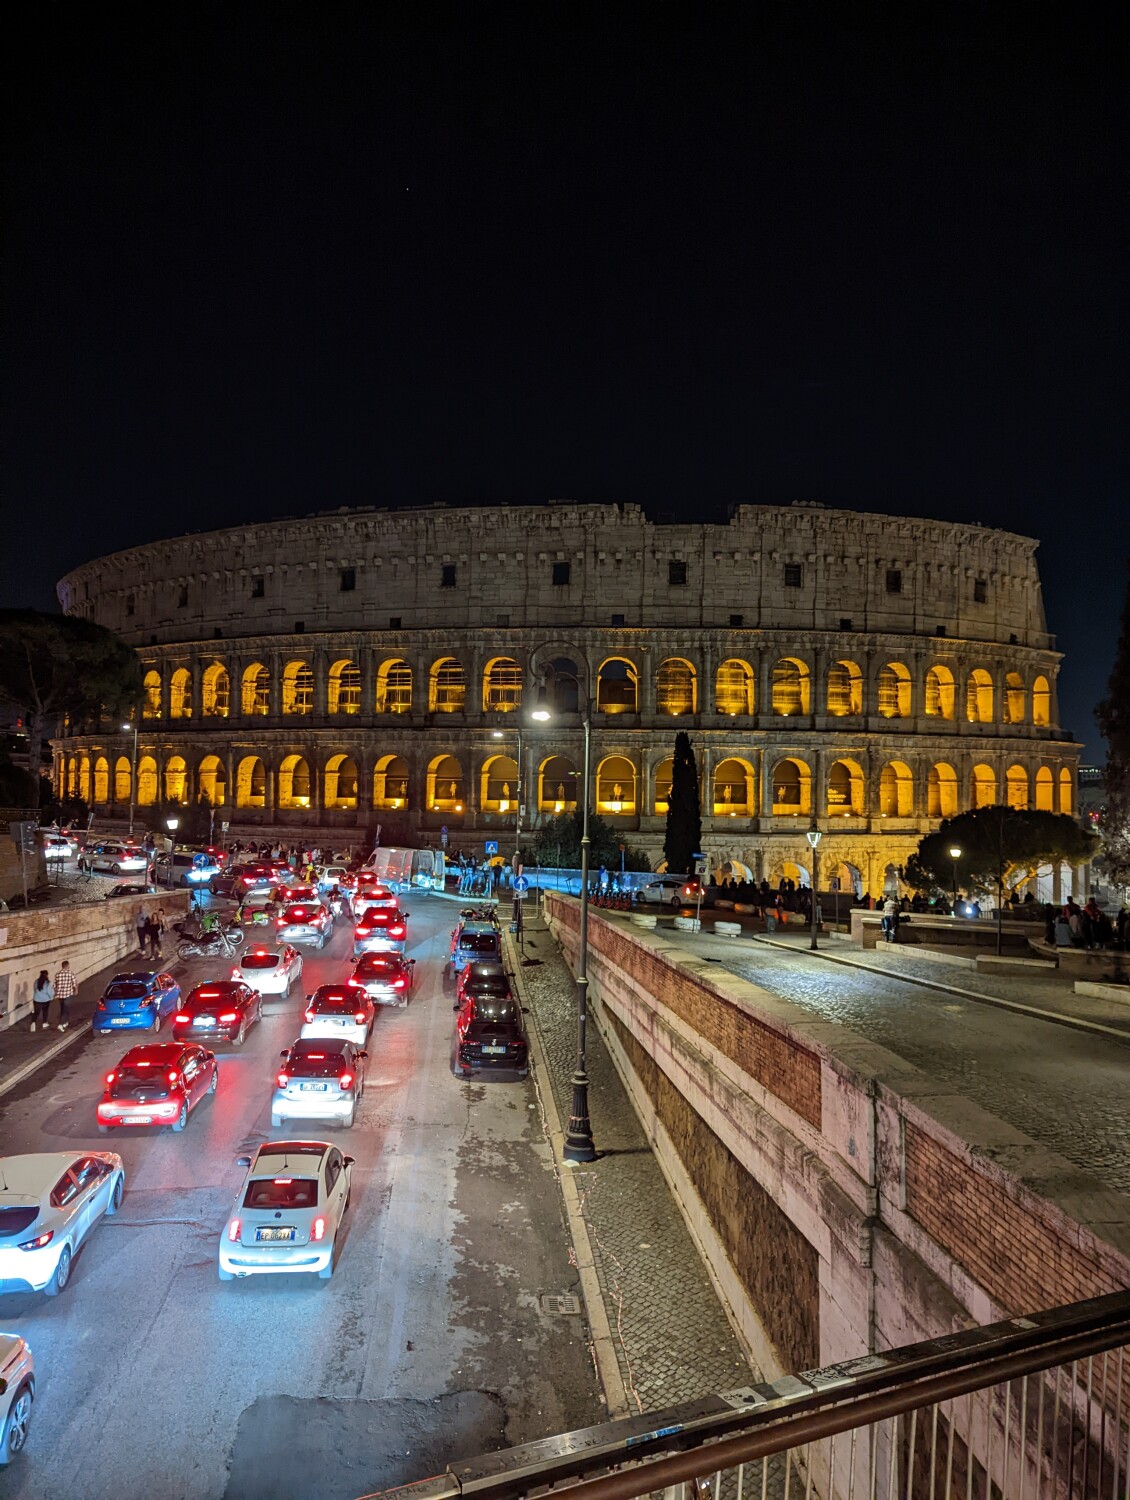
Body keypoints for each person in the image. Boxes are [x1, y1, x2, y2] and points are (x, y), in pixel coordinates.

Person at [53, 960, 77, 1031]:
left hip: (60, 995)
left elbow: (54, 985)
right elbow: (74, 984)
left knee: (62, 1008)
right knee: (66, 1009)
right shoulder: (71, 974)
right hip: (68, 994)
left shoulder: (57, 974)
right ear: (68, 966)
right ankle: (61, 1024)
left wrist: (56, 993)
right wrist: (76, 990)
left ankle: (65, 1022)